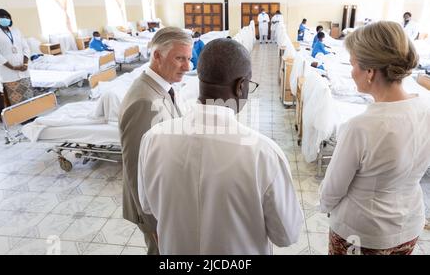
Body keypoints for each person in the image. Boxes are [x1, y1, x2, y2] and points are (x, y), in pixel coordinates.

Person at [137, 38, 304, 255]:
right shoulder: (263, 154)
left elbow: (148, 206)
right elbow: (287, 234)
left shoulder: (153, 139)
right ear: (241, 86)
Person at [319, 21, 430, 255]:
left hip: (362, 233)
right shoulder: (426, 111)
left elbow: (332, 190)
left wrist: (326, 207)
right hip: (409, 225)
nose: (351, 72)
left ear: (370, 72)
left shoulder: (360, 127)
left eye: (353, 64)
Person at [119, 27, 192, 255]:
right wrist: (151, 224)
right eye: (180, 58)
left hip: (167, 199)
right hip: (154, 212)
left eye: (189, 59)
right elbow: (135, 167)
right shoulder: (143, 101)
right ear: (157, 56)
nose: (187, 67)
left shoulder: (164, 88)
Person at [0, 9, 33, 106]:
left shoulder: (16, 30)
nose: (5, 19)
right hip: (8, 72)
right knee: (16, 98)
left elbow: (26, 47)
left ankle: (32, 116)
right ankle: (22, 118)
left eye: (7, 17)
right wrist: (13, 67)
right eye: (2, 17)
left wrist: (25, 63)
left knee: (29, 96)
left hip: (24, 70)